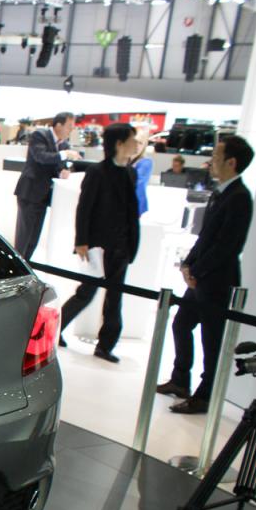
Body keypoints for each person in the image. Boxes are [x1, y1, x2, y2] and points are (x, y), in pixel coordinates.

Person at [157, 136, 255, 413]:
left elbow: (228, 245)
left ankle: (205, 396)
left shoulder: (240, 197)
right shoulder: (220, 193)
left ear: (231, 162)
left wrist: (196, 271)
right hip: (201, 278)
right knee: (181, 324)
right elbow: (205, 237)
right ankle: (180, 380)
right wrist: (188, 265)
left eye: (216, 156)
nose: (211, 161)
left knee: (211, 341)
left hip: (218, 281)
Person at [57, 123, 141, 363]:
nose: (136, 145)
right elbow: (84, 208)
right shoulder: (97, 172)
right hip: (97, 247)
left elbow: (131, 211)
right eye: (132, 140)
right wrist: (81, 241)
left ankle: (106, 346)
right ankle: (55, 328)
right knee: (86, 292)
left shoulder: (130, 173)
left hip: (121, 247)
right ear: (119, 144)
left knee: (115, 298)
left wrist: (131, 244)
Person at [13, 112, 81, 260]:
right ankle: (16, 266)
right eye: (69, 126)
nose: (71, 130)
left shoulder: (63, 144)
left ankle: (27, 266)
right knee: (24, 237)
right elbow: (41, 157)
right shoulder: (40, 135)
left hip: (44, 196)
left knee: (34, 238)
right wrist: (64, 154)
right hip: (30, 193)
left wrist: (64, 171)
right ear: (59, 125)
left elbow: (59, 166)